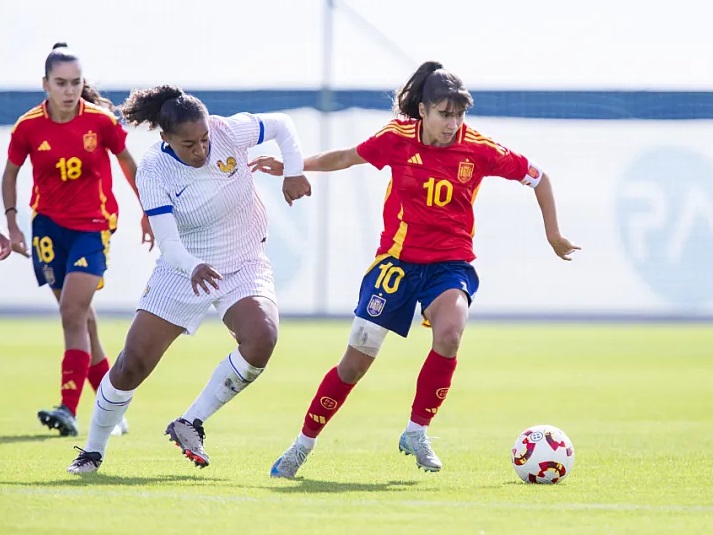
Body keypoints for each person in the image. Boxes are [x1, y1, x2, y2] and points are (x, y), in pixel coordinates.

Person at [249, 60, 580, 478]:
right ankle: (302, 444)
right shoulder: (396, 138)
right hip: (396, 263)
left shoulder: (478, 148)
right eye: (445, 114)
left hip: (449, 264)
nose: (453, 123)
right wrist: (295, 167)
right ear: (422, 110)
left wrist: (553, 234)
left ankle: (416, 430)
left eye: (459, 114)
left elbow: (539, 177)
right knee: (354, 364)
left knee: (450, 333)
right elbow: (347, 157)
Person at [66, 85, 311, 474]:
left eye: (204, 140)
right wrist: (192, 265)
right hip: (185, 269)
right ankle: (92, 451)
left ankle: (190, 422)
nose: (200, 151)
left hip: (243, 260)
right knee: (133, 364)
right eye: (188, 144)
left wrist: (294, 172)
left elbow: (283, 124)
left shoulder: (228, 131)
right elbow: (169, 242)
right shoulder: (153, 169)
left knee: (262, 339)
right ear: (165, 139)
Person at [2, 43, 154, 437]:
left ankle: (68, 409)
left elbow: (128, 164)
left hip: (92, 227)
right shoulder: (28, 127)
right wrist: (13, 224)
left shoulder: (101, 122)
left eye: (75, 83)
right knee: (83, 320)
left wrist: (148, 213)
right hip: (49, 231)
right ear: (45, 84)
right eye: (60, 83)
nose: (69, 91)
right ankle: (113, 409)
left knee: (72, 312)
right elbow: (10, 176)